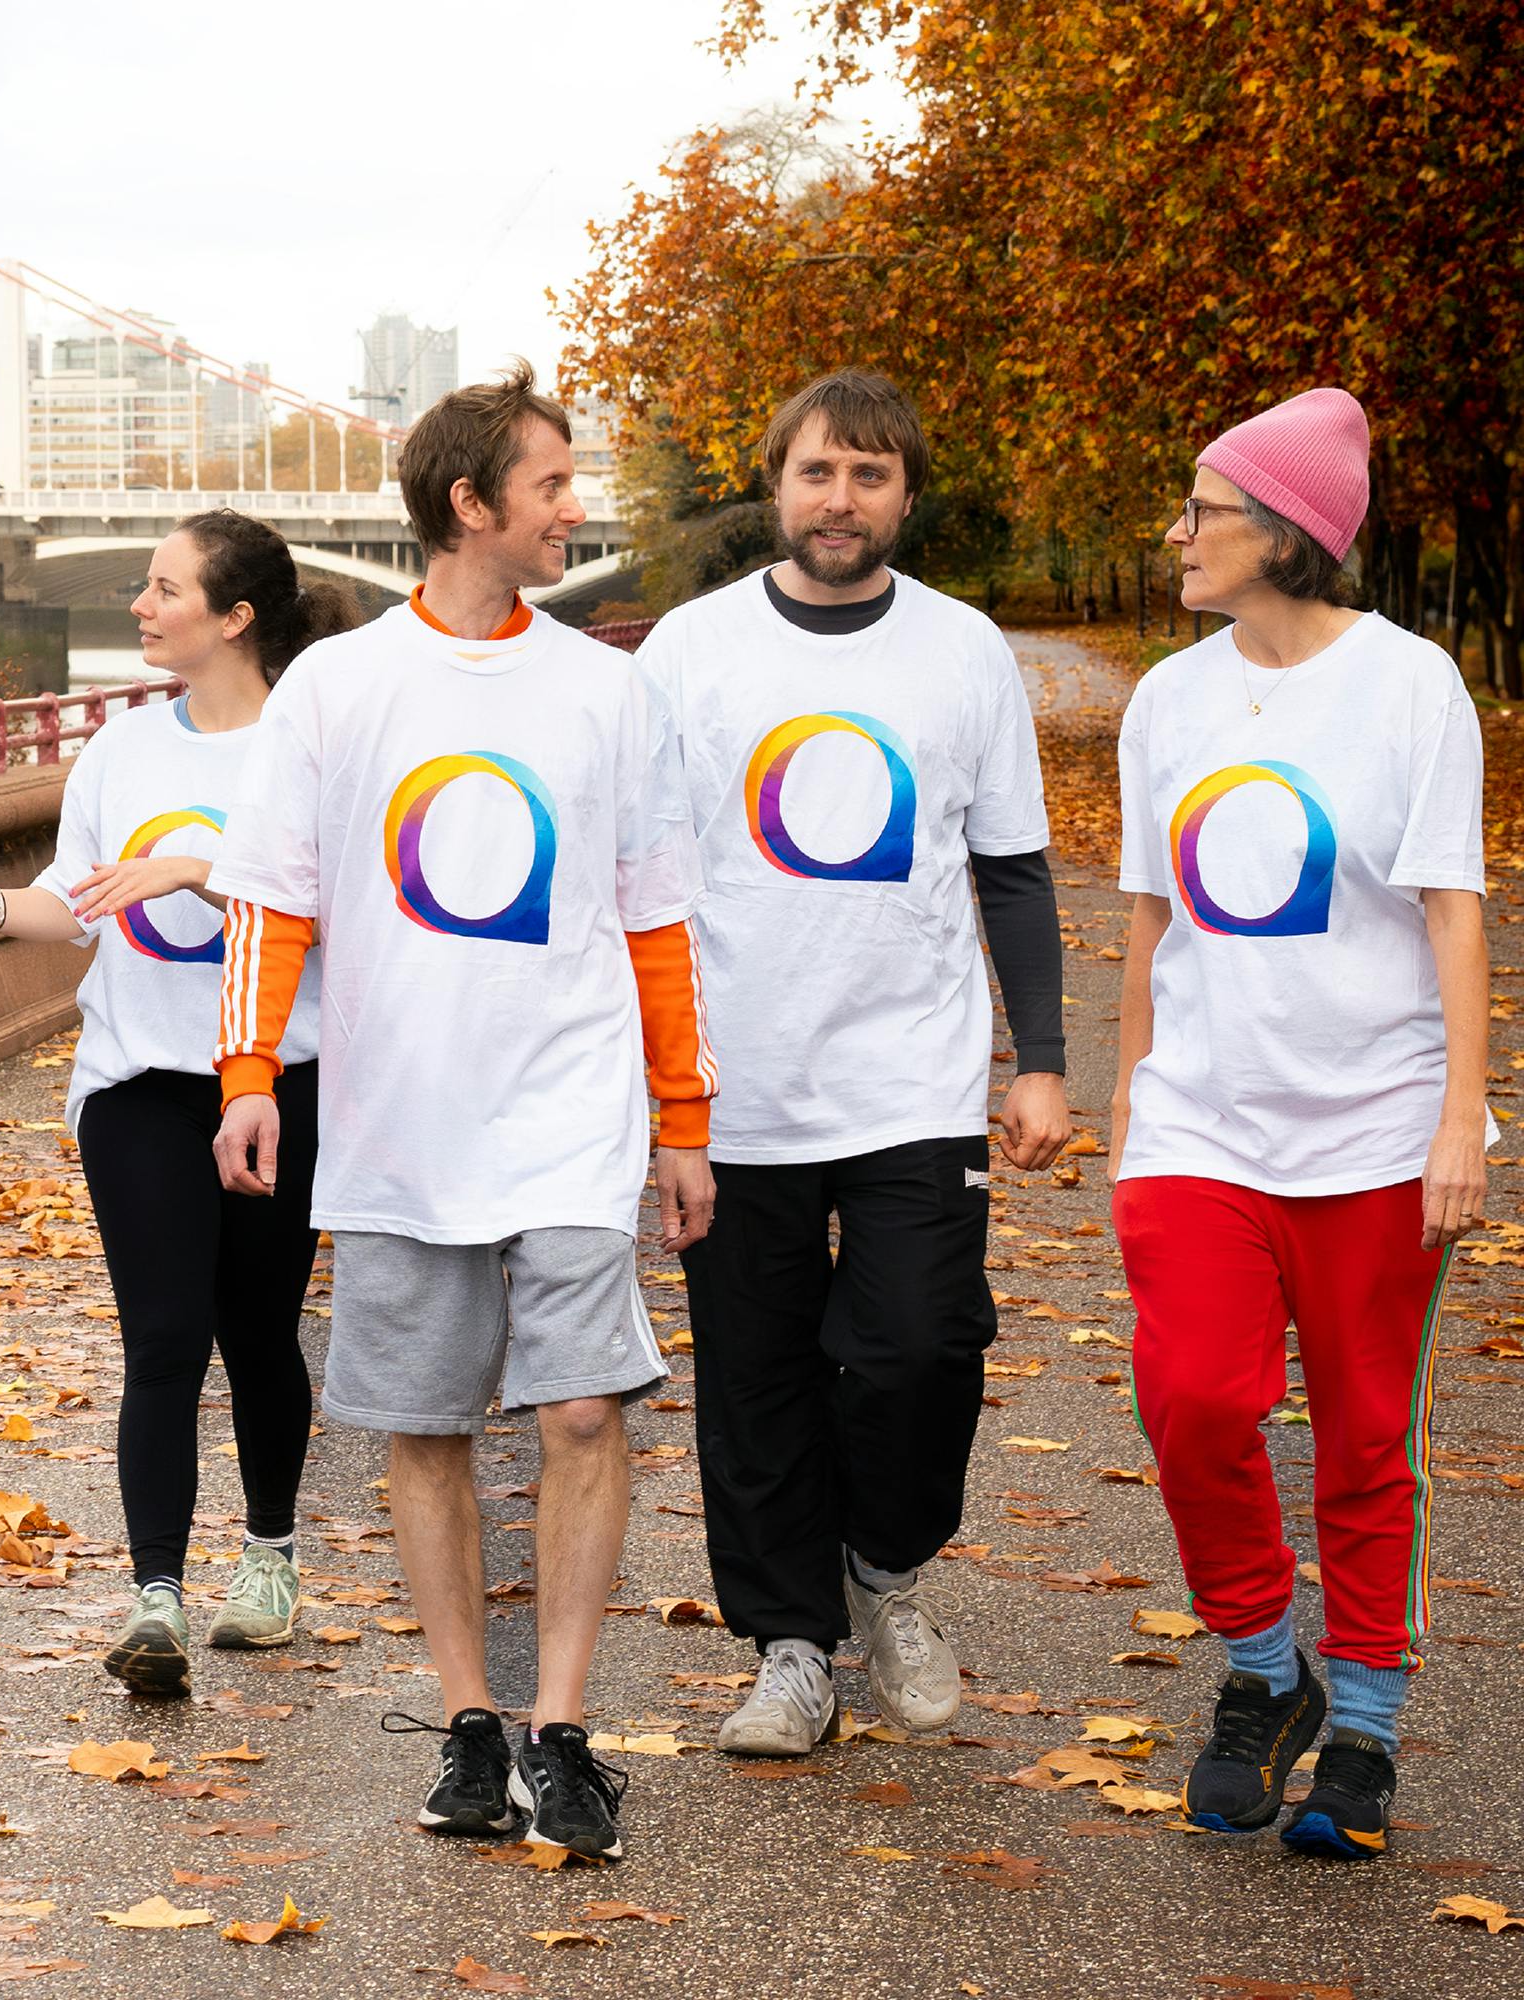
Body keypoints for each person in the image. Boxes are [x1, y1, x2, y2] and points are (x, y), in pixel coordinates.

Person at [205, 364, 715, 1860]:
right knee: (423, 1424)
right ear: (469, 506)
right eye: (553, 486)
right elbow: (267, 897)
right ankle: (467, 1724)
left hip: (569, 1112)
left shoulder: (609, 690)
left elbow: (658, 917)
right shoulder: (340, 686)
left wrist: (681, 1117)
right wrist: (248, 1082)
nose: (576, 508)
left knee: (577, 1407)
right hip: (398, 1129)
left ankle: (562, 1732)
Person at [637, 369, 1070, 1755]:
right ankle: (789, 1651)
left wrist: (1042, 1059)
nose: (842, 499)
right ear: (777, 484)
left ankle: (883, 1566)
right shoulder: (689, 655)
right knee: (754, 1381)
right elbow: (633, 877)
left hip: (912, 1081)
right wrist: (650, 1088)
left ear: (903, 494)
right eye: (820, 472)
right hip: (733, 1085)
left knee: (920, 1348)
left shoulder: (964, 652)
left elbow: (1009, 867)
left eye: (871, 475)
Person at [1111, 387, 1487, 1859]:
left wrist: (1464, 1111)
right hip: (1201, 1120)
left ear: (1284, 531)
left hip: (1378, 1129)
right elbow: (1149, 909)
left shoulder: (1411, 687)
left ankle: (1370, 1734)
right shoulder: (1168, 699)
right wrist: (1139, 1099)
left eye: (1201, 509)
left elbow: (1453, 906)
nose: (1178, 534)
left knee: (1364, 1432)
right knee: (1195, 1400)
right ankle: (1268, 1669)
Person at [0, 512, 352, 1695]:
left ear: (234, 617)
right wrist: (0, 909)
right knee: (162, 1336)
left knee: (258, 1329)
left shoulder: (306, 744)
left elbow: (326, 900)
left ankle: (268, 1555)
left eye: (164, 589)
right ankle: (154, 1595)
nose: (140, 605)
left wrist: (192, 867)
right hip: (135, 1081)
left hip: (276, 1076)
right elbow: (83, 894)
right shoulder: (121, 746)